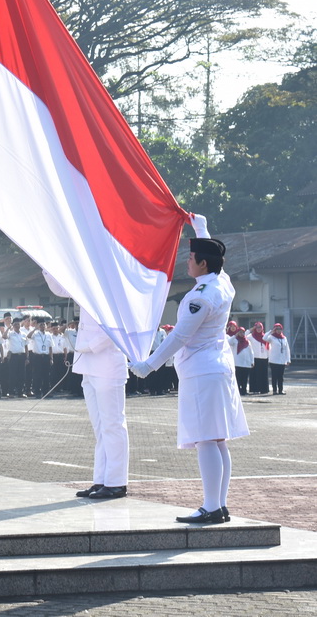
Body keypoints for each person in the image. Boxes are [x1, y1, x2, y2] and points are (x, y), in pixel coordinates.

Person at [132, 215, 249, 524]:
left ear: (203, 265)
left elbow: (180, 335)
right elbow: (217, 260)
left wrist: (149, 365)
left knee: (206, 439)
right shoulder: (221, 283)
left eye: (191, 258)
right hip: (216, 368)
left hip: (201, 371)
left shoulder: (202, 296)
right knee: (217, 440)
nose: (187, 262)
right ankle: (218, 505)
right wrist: (200, 228)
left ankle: (211, 506)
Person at [44, 271, 130, 500]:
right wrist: (44, 262)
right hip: (88, 364)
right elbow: (60, 289)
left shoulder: (114, 290)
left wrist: (88, 345)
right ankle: (101, 480)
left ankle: (117, 482)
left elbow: (117, 326)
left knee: (113, 424)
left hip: (107, 363)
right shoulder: (89, 284)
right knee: (100, 427)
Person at [267, 323, 292, 395]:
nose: (278, 330)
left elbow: (287, 349)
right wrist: (271, 331)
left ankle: (280, 390)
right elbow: (264, 338)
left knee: (280, 376)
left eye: (280, 329)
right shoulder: (271, 337)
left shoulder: (284, 338)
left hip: (282, 360)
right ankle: (274, 390)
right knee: (274, 376)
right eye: (277, 329)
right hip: (274, 360)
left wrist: (288, 359)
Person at [247, 322, 271, 394]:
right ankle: (255, 389)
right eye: (257, 327)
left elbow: (268, 347)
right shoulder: (251, 336)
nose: (258, 329)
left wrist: (268, 357)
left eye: (260, 327)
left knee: (263, 374)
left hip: (264, 357)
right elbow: (244, 335)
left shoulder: (265, 337)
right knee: (254, 374)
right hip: (255, 357)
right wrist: (251, 329)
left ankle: (263, 389)